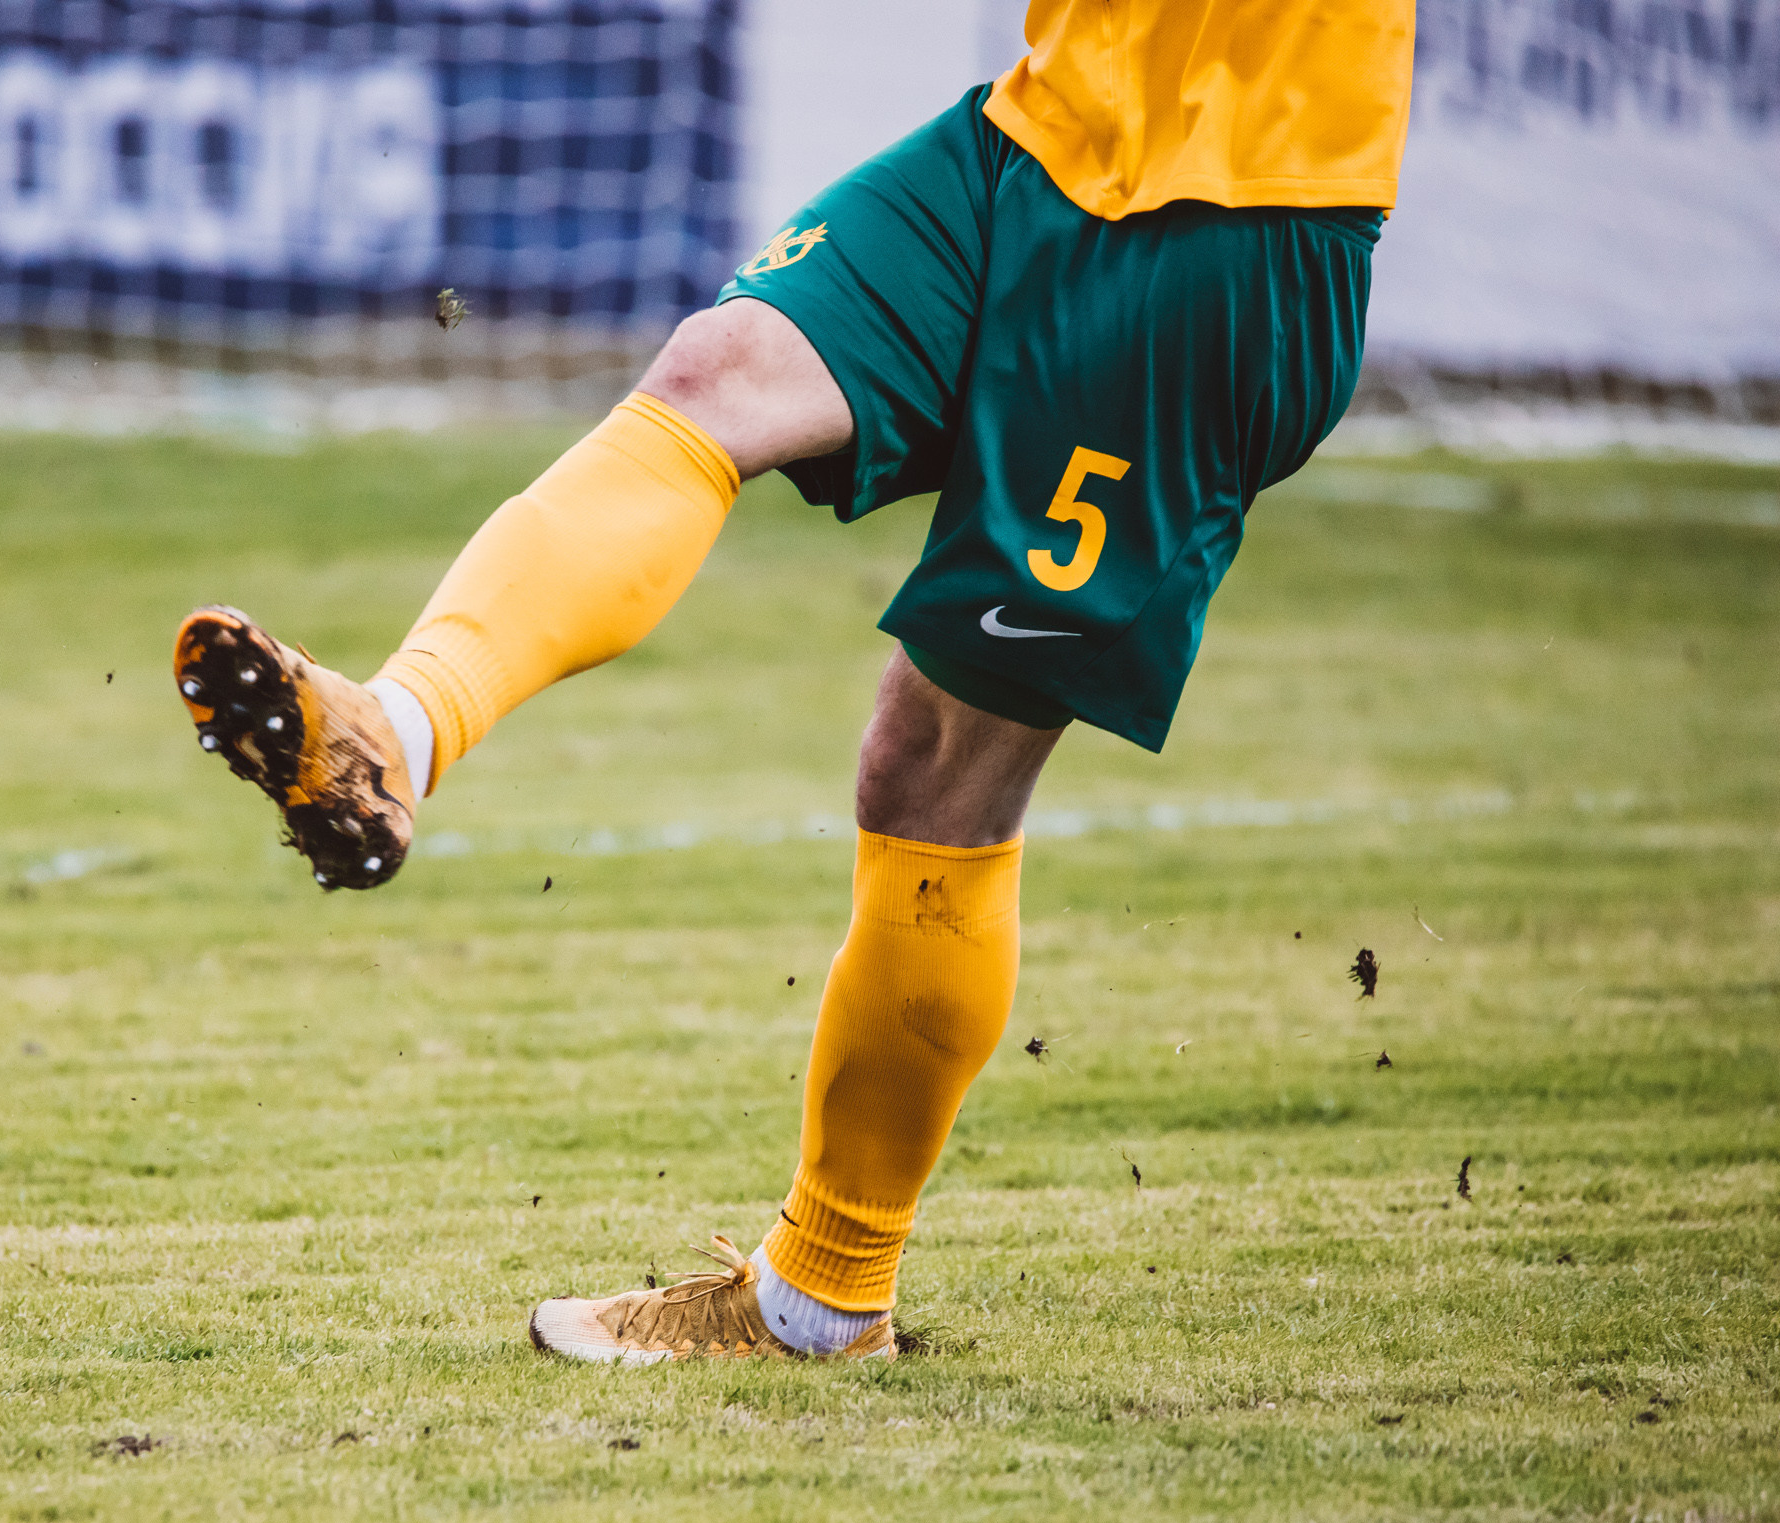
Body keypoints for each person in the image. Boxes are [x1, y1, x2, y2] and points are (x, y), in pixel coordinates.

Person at [172, 1, 1414, 1363]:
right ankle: (393, 729)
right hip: (1044, 136)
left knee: (935, 768)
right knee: (722, 372)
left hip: (1224, 226)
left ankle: (821, 1298)